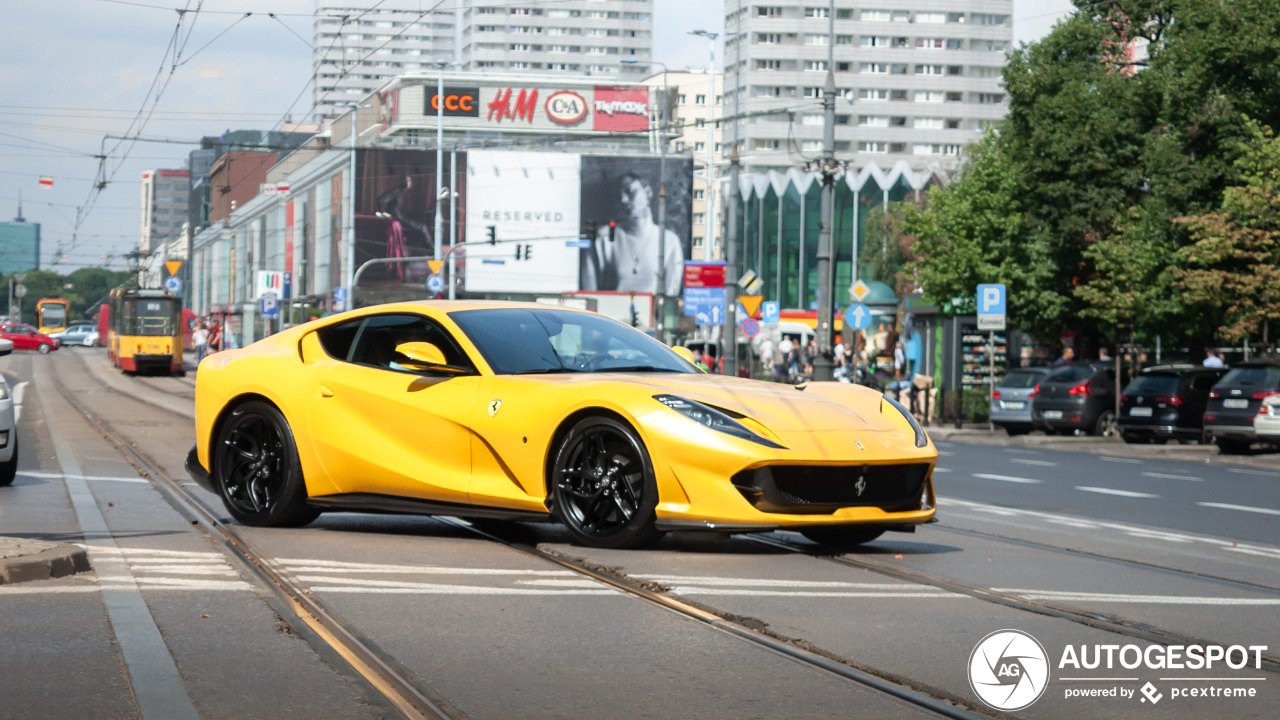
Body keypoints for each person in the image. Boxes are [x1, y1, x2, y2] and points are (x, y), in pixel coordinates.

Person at [581, 172, 685, 296]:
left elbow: (671, 295)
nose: (623, 200)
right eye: (619, 196)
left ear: (648, 193)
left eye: (629, 191)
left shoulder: (669, 240)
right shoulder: (604, 237)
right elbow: (589, 293)